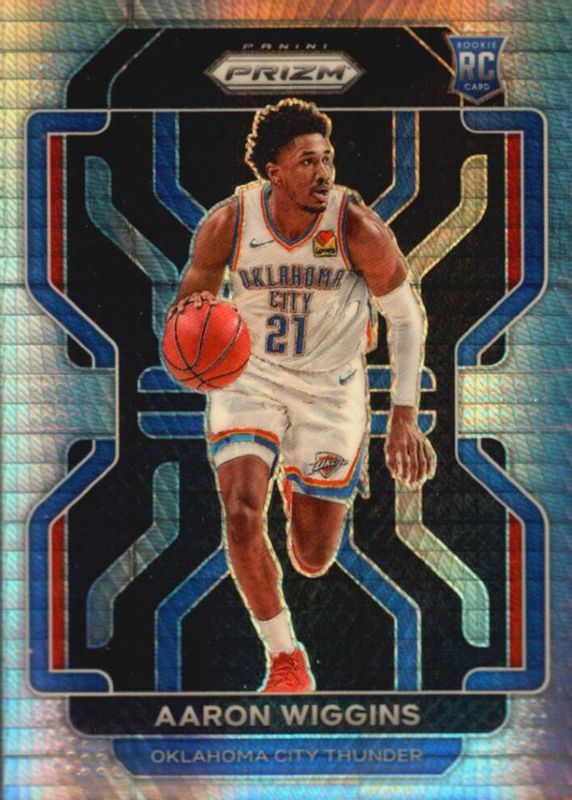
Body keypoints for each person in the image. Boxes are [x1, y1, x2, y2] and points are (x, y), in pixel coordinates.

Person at [168, 98, 435, 693]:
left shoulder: (356, 226)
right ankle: (286, 657)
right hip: (252, 380)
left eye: (328, 159)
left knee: (313, 557)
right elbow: (190, 304)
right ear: (275, 172)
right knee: (241, 515)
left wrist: (403, 416)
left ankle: (297, 478)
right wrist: (192, 345)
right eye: (308, 161)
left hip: (330, 391)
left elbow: (407, 318)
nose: (323, 173)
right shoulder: (229, 223)